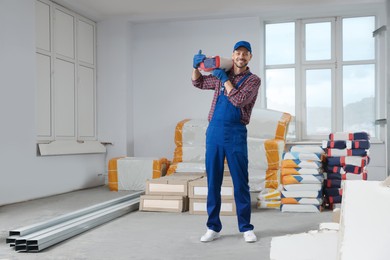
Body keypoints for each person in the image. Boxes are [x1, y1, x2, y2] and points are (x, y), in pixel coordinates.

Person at [191, 41, 261, 243]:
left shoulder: (253, 80)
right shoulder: (223, 73)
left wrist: (224, 80)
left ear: (250, 58)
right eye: (238, 53)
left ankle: (246, 228)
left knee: (240, 182)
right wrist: (195, 67)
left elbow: (239, 100)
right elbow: (198, 83)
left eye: (245, 54)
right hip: (214, 132)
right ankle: (213, 227)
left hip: (235, 133)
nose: (241, 56)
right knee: (213, 182)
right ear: (233, 54)